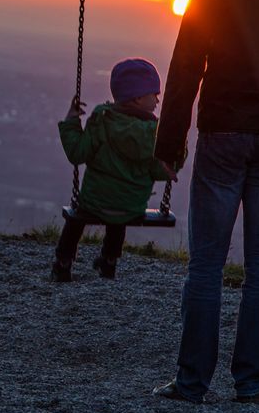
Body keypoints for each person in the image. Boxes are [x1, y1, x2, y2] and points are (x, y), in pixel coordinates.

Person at [151, 0, 259, 404]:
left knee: (206, 265)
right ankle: (250, 383)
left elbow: (190, 49)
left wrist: (170, 141)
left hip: (224, 127)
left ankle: (192, 384)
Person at [51, 57, 176, 282]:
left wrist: (71, 122)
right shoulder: (153, 134)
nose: (158, 100)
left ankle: (63, 262)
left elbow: (77, 153)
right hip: (132, 206)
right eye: (154, 94)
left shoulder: (102, 119)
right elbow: (158, 172)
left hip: (95, 203)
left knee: (77, 217)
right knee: (120, 209)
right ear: (138, 98)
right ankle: (109, 261)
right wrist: (175, 157)